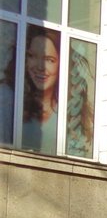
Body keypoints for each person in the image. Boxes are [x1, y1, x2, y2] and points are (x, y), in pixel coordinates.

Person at [21, 25, 60, 153]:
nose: (40, 67)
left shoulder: (69, 113)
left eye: (49, 60)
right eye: (32, 56)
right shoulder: (12, 104)